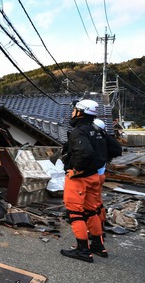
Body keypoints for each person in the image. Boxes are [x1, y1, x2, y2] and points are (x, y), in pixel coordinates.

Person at [60, 99, 110, 263]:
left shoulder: (79, 132)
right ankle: (98, 245)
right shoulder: (97, 131)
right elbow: (110, 149)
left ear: (80, 112)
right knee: (91, 211)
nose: (72, 113)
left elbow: (85, 152)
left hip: (79, 179)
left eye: (74, 110)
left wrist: (76, 170)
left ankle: (83, 251)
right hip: (94, 176)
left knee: (75, 213)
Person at [91, 118, 122, 253]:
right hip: (101, 175)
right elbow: (117, 150)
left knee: (89, 207)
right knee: (97, 203)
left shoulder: (96, 140)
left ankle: (95, 233)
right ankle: (100, 228)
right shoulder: (106, 139)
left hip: (92, 175)